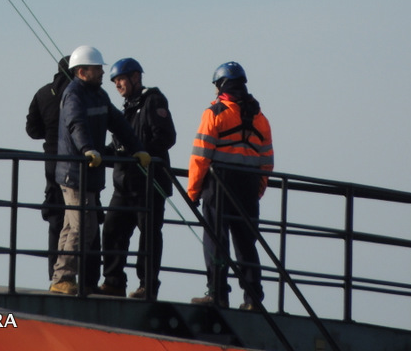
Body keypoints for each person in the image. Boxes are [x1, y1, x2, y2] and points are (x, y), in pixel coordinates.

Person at [50, 45, 151, 296]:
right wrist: (87, 149)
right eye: (97, 69)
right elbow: (76, 124)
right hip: (75, 174)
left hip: (88, 174)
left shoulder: (98, 95)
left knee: (72, 227)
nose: (102, 72)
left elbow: (118, 123)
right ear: (82, 72)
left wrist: (137, 149)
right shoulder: (74, 95)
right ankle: (63, 278)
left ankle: (61, 278)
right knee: (84, 227)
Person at [187, 61, 274, 310]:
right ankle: (253, 299)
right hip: (249, 187)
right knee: (246, 242)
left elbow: (200, 157)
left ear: (222, 85)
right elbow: (267, 162)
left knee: (216, 239)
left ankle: (217, 294)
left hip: (219, 185)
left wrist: (193, 192)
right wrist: (258, 190)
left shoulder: (214, 113)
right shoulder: (260, 118)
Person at [99, 58, 177, 299]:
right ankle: (113, 282)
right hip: (124, 185)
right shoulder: (126, 109)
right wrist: (100, 153)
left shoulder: (153, 101)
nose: (117, 85)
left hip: (148, 185)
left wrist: (141, 153)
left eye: (120, 79)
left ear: (135, 77)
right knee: (112, 230)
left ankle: (147, 286)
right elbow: (118, 146)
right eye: (114, 81)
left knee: (149, 236)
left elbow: (166, 137)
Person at [25, 56, 70, 279]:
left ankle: (55, 275)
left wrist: (51, 135)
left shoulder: (42, 93)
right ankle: (87, 279)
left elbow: (32, 130)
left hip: (52, 161)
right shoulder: (82, 94)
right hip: (80, 163)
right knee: (86, 218)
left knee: (55, 218)